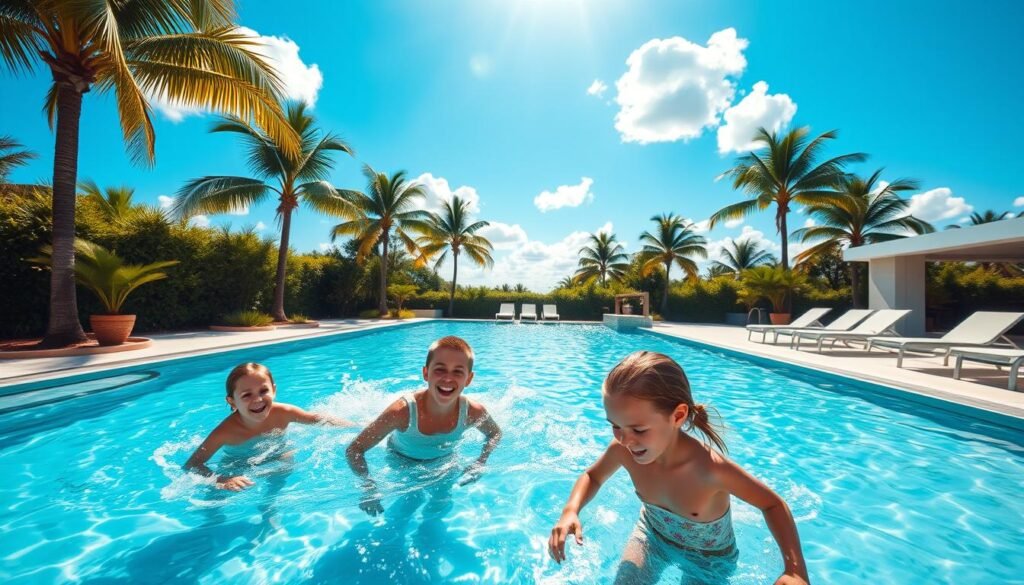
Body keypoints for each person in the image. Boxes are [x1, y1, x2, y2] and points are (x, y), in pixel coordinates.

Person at [548, 351, 810, 585]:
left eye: (639, 429)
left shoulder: (711, 470)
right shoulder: (622, 451)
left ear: (678, 416)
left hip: (708, 559)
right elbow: (593, 476)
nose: (625, 440)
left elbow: (773, 504)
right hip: (651, 536)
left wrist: (795, 570)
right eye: (615, 426)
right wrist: (570, 510)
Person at [345, 335, 502, 515]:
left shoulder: (472, 412)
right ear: (426, 373)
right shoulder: (402, 412)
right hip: (402, 461)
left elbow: (495, 433)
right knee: (410, 502)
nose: (448, 378)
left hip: (444, 460)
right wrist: (368, 488)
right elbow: (355, 449)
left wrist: (481, 462)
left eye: (458, 372)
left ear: (469, 379)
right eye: (440, 369)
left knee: (441, 502)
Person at [185, 362, 355, 491]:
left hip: (277, 454)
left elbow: (318, 419)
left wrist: (355, 426)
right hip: (238, 464)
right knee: (216, 496)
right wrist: (221, 479)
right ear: (232, 401)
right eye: (247, 395)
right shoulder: (225, 432)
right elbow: (192, 465)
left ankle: (270, 505)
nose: (258, 399)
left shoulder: (284, 412)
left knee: (285, 463)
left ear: (273, 390)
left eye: (263, 391)